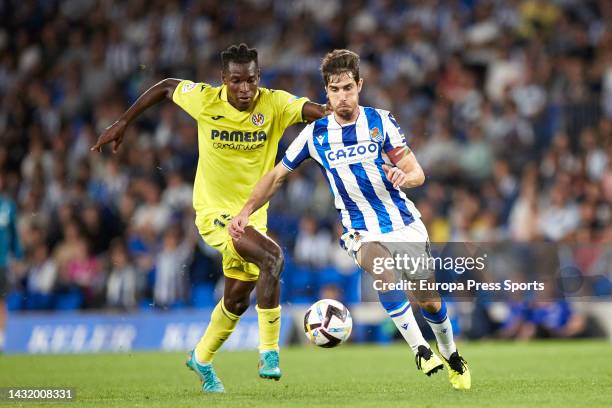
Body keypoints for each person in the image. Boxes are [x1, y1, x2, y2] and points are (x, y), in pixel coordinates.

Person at [91, 44, 329, 393]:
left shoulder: (274, 103)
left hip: (253, 215)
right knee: (274, 257)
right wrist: (123, 122)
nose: (245, 88)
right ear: (223, 80)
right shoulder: (205, 100)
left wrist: (338, 111)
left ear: (259, 78)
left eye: (251, 80)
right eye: (236, 81)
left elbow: (315, 111)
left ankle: (201, 358)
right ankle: (270, 353)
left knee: (236, 299)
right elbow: (166, 86)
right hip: (214, 214)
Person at [230, 49, 471, 390]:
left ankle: (452, 355)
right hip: (359, 228)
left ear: (359, 85)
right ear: (326, 92)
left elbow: (416, 171)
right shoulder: (315, 134)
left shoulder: (381, 122)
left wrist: (406, 178)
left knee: (429, 300)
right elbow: (276, 176)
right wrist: (244, 211)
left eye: (347, 88)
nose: (342, 96)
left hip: (402, 222)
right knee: (382, 269)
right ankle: (419, 348)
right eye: (334, 89)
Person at [0, 172, 23, 351]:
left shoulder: (8, 206)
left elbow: (14, 234)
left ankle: (1, 340)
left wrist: (18, 256)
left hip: (2, 262)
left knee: (1, 301)